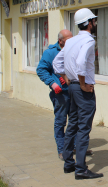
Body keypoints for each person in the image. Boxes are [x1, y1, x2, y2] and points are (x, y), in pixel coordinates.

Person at [53, 8, 103, 180]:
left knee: (73, 123)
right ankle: (81, 169)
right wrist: (82, 84)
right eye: (94, 21)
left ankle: (69, 163)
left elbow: (56, 63)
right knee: (83, 127)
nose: (95, 23)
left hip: (73, 87)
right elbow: (81, 63)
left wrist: (67, 77)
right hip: (83, 89)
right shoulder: (88, 41)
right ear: (89, 23)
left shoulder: (71, 41)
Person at [36, 29, 73, 161]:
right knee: (61, 122)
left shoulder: (72, 50)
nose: (71, 42)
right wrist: (53, 83)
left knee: (74, 122)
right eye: (68, 40)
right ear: (60, 41)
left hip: (73, 92)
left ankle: (73, 147)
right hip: (60, 95)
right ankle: (62, 150)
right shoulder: (50, 52)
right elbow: (41, 70)